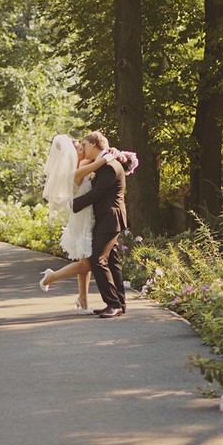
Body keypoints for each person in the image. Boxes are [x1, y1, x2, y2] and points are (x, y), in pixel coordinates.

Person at [39, 135, 104, 309]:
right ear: (71, 154)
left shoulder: (82, 165)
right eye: (79, 148)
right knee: (87, 264)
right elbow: (100, 162)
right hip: (81, 220)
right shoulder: (75, 172)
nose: (83, 149)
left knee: (84, 262)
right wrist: (108, 155)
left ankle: (83, 301)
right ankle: (50, 277)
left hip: (84, 217)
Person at [70, 130, 130, 319]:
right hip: (106, 218)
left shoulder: (110, 167)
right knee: (111, 261)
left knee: (96, 258)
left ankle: (112, 303)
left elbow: (97, 194)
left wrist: (74, 204)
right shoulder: (104, 164)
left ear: (94, 144)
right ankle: (119, 303)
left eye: (85, 145)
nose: (83, 148)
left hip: (110, 219)